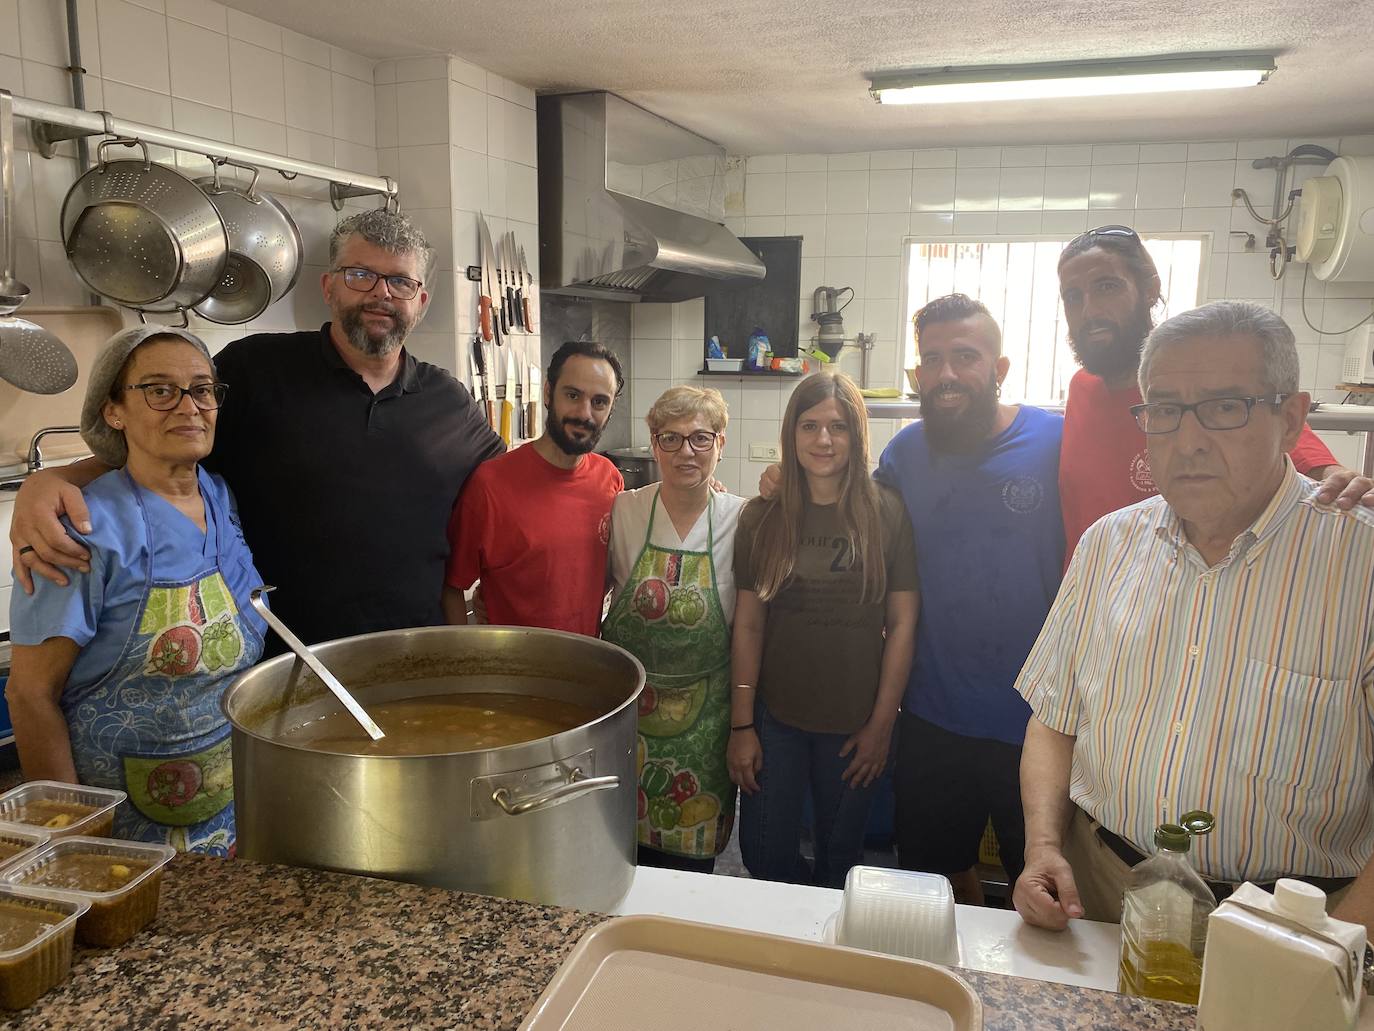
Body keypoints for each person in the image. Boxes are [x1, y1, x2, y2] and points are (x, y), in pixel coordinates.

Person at [1013, 301, 1374, 935]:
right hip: (1102, 891)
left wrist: (1340, 945)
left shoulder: (1360, 563)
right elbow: (1054, 718)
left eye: (1225, 407)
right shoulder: (1108, 545)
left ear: (1291, 419)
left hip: (1290, 922)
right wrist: (1043, 846)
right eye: (1167, 411)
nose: (1189, 440)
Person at [11, 209, 505, 646]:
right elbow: (157, 448)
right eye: (361, 275)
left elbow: (518, 485)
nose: (381, 294)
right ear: (329, 287)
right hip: (281, 658)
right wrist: (52, 480)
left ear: (419, 302)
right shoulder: (255, 369)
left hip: (415, 655)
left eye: (400, 282)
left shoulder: (448, 401)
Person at [7, 328, 267, 854]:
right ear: (114, 411)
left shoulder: (219, 496)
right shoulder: (78, 526)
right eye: (159, 390)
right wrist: (77, 845)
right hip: (124, 839)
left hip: (230, 819)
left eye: (201, 389)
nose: (189, 407)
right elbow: (30, 696)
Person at [877, 295, 1064, 904]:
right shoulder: (905, 454)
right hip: (934, 716)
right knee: (936, 881)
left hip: (1038, 721)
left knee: (1038, 883)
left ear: (1000, 367)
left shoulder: (1056, 440)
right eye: (932, 359)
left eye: (965, 357)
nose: (947, 374)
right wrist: (779, 482)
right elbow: (851, 512)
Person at [1056, 224, 1373, 560]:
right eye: (1073, 296)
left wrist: (1348, 488)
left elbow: (1315, 468)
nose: (1089, 311)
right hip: (1091, 593)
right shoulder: (1081, 389)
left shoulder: (1204, 392)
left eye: (1107, 287)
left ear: (1150, 289)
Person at [729, 371, 919, 888]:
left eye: (837, 427)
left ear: (857, 436)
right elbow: (748, 626)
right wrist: (741, 726)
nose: (823, 440)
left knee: (840, 867)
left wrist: (882, 726)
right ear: (791, 433)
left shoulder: (887, 513)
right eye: (809, 425)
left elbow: (903, 624)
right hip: (776, 723)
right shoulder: (763, 517)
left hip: (854, 726)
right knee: (767, 861)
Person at [603, 386, 747, 874]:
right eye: (672, 438)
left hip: (706, 726)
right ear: (654, 443)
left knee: (692, 875)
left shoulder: (743, 518)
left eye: (701, 439)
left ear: (721, 444)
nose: (687, 451)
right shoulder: (624, 511)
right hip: (629, 721)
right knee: (621, 860)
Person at [443, 340, 624, 636]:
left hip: (586, 666)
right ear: (549, 393)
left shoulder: (610, 479)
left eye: (599, 402)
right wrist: (465, 657)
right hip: (511, 673)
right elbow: (452, 587)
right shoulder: (491, 484)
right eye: (573, 395)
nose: (585, 413)